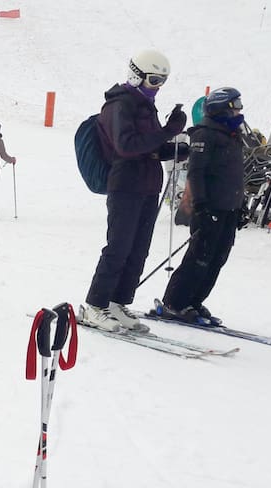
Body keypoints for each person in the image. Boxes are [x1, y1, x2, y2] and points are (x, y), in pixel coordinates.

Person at [78, 49, 187, 332]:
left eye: (162, 81)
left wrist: (174, 148)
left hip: (148, 185)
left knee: (139, 250)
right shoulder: (119, 106)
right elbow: (127, 146)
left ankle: (117, 301)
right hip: (125, 185)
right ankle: (95, 305)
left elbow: (147, 146)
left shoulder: (143, 105)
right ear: (136, 75)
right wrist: (168, 131)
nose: (157, 87)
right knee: (119, 247)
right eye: (153, 80)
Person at [157, 87, 246, 326]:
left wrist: (241, 205)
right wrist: (201, 206)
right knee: (200, 257)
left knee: (218, 257)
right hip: (210, 207)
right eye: (234, 104)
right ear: (221, 107)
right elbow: (195, 173)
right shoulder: (206, 134)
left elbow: (235, 174)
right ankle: (175, 303)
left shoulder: (232, 134)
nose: (239, 108)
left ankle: (193, 301)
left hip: (228, 207)